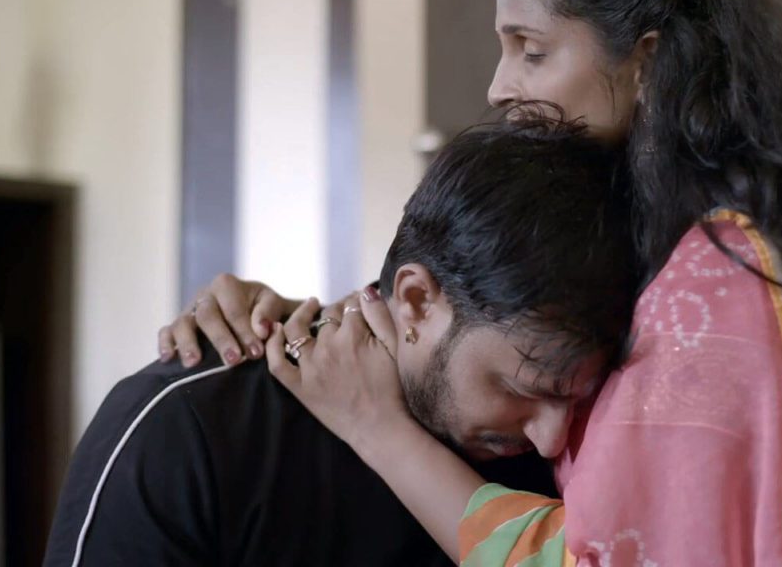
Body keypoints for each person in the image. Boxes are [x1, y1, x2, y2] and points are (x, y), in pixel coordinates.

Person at [160, 0, 782, 565]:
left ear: (648, 62)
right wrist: (298, 324)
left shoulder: (717, 285)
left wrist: (378, 427)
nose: (498, 87)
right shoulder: (663, 242)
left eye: (532, 49)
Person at [43, 119, 641, 566]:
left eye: (575, 398)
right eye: (522, 388)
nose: (552, 437)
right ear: (415, 300)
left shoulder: (563, 463)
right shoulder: (188, 429)